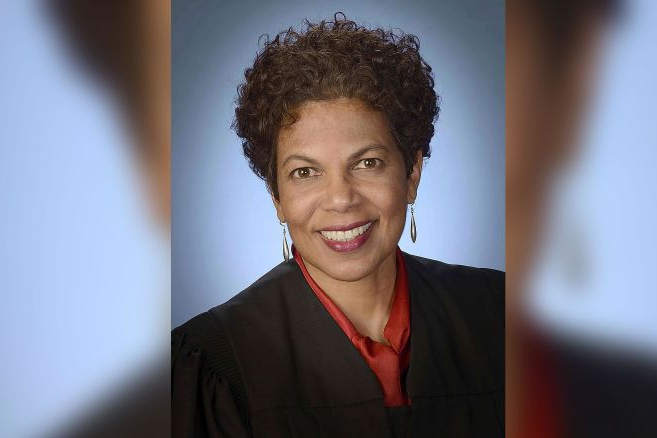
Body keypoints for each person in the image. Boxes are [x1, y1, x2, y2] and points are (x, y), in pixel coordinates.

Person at [172, 15, 504, 437]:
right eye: (305, 172)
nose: (341, 198)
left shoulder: (499, 317)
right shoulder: (215, 364)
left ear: (412, 174)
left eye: (367, 163)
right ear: (277, 197)